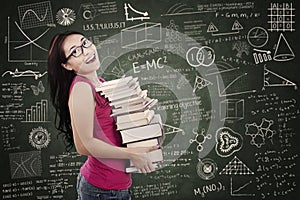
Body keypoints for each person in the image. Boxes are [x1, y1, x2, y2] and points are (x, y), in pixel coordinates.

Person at [47, 31, 158, 200]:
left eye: (85, 43)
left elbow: (112, 130)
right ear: (67, 65)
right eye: (75, 51)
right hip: (100, 190)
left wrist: (140, 111)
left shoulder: (102, 84)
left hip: (116, 186)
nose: (86, 51)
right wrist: (132, 154)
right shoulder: (82, 89)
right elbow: (84, 145)